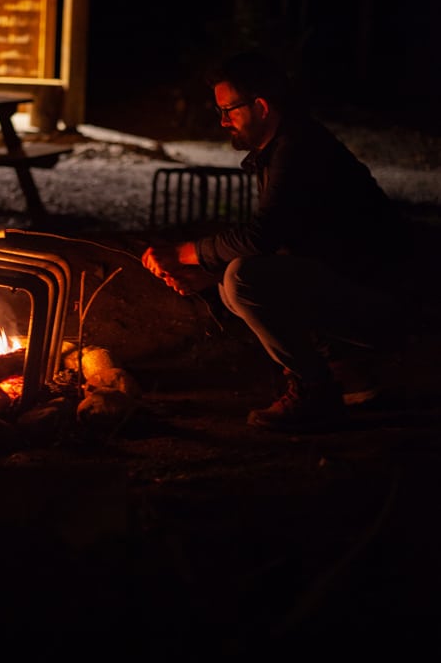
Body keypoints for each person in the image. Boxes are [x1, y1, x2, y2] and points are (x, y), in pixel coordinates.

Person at [141, 49, 412, 433]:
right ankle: (348, 372)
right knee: (232, 283)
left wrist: (184, 254)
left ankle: (316, 390)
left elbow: (261, 235)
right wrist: (207, 273)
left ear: (261, 106)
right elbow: (290, 241)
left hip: (386, 304)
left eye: (228, 110)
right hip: (361, 287)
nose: (222, 122)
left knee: (243, 280)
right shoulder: (285, 146)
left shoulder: (299, 150)